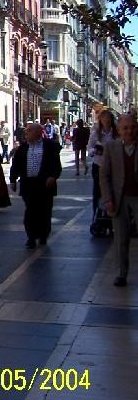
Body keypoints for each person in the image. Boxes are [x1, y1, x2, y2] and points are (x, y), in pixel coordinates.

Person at [100, 114, 138, 286]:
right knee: (121, 238)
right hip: (119, 198)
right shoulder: (111, 147)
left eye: (133, 127)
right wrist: (107, 198)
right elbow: (104, 175)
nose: (129, 131)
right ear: (119, 130)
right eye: (125, 128)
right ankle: (121, 274)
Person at [9, 123, 62, 249]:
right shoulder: (22, 148)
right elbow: (15, 165)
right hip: (28, 184)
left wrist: (53, 177)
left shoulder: (49, 146)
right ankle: (31, 237)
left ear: (38, 132)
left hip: (44, 184)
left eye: (29, 131)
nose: (26, 133)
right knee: (30, 210)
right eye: (26, 131)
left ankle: (43, 235)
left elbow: (56, 165)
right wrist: (13, 180)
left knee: (44, 211)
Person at [87, 110, 117, 213]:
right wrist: (95, 151)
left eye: (108, 119)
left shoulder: (116, 133)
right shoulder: (96, 133)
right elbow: (89, 150)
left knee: (112, 189)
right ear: (101, 120)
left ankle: (110, 212)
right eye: (104, 119)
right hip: (98, 165)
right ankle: (97, 213)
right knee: (98, 191)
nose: (106, 121)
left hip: (113, 166)